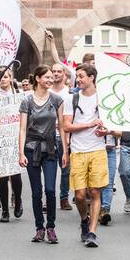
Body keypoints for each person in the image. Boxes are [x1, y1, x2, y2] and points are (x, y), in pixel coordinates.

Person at [19, 65, 68, 243]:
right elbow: (23, 129)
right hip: (31, 149)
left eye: (51, 77)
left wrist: (65, 151)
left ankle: (51, 227)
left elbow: (62, 127)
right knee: (36, 192)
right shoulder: (27, 101)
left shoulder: (57, 100)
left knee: (50, 189)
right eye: (46, 77)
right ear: (38, 79)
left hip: (50, 148)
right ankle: (39, 228)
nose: (50, 79)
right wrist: (20, 152)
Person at [63, 63, 110, 248]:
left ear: (92, 78)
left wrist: (106, 131)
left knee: (95, 191)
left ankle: (92, 232)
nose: (78, 79)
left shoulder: (103, 98)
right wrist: (90, 124)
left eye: (81, 76)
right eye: (77, 76)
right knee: (80, 196)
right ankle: (84, 218)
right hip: (78, 150)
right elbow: (67, 126)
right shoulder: (72, 99)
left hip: (98, 149)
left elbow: (112, 125)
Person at [0, 68, 23, 222]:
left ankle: (17, 200)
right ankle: (5, 210)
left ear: (11, 78)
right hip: (0, 140)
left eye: (6, 76)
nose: (3, 79)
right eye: (1, 77)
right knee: (3, 177)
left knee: (16, 176)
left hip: (16, 138)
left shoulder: (18, 95)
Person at [49, 62, 73, 211]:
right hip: (48, 136)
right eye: (54, 71)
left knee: (66, 169)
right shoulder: (46, 91)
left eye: (59, 71)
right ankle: (49, 199)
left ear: (64, 74)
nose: (56, 74)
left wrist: (68, 135)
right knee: (49, 170)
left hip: (63, 136)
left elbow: (72, 117)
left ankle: (64, 198)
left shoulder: (69, 93)